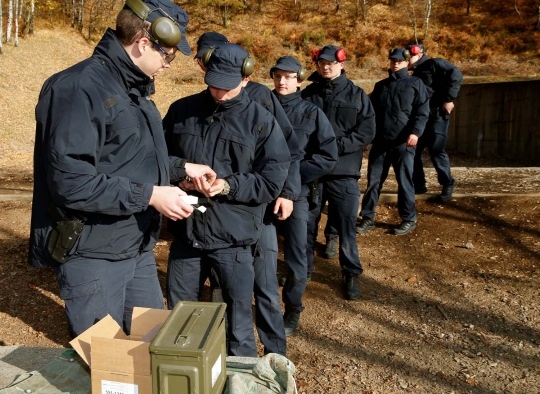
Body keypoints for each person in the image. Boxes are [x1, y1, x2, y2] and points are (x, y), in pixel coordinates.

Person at [28, 0, 201, 338]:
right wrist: (151, 195)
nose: (168, 66)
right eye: (168, 56)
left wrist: (181, 169)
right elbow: (72, 182)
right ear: (143, 43)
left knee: (153, 346)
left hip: (134, 247)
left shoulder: (132, 88)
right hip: (93, 254)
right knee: (105, 365)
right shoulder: (79, 88)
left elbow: (128, 159)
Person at [163, 44, 291, 357]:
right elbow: (156, 159)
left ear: (246, 79)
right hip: (186, 232)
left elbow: (272, 179)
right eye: (214, 83)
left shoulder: (261, 120)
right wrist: (179, 176)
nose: (219, 92)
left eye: (227, 85)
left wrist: (228, 187)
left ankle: (241, 378)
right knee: (179, 318)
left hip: (233, 239)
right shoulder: (182, 110)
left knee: (238, 323)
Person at [192, 32, 301, 356]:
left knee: (265, 284)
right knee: (223, 286)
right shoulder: (206, 101)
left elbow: (288, 150)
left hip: (261, 210)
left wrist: (287, 193)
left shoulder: (260, 99)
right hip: (220, 217)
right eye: (204, 60)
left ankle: (275, 353)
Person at [301, 44, 375, 300]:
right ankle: (304, 269)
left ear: (342, 64)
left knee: (346, 227)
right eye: (322, 62)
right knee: (307, 225)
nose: (326, 66)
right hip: (313, 173)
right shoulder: (308, 95)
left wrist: (336, 146)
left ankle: (351, 273)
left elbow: (367, 131)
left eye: (331, 62)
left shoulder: (357, 95)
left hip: (344, 172)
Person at [270, 56, 338, 335]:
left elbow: (327, 156)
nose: (282, 82)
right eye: (278, 76)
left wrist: (293, 175)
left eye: (288, 77)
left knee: (297, 256)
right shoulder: (259, 106)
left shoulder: (311, 112)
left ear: (299, 80)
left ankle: (293, 308)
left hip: (297, 196)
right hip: (262, 193)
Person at [356, 48, 429, 236]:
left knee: (404, 182)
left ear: (407, 63)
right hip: (381, 142)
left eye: (399, 61)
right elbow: (371, 115)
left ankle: (408, 219)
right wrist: (367, 138)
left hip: (403, 143)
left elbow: (422, 111)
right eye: (393, 60)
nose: (395, 63)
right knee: (373, 181)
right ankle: (367, 218)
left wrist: (416, 133)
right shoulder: (381, 86)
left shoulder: (415, 83)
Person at [407, 44, 463, 201]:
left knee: (436, 149)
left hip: (437, 114)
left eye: (409, 57)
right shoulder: (413, 74)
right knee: (414, 150)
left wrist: (449, 99)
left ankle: (447, 183)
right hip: (421, 117)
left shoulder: (434, 63)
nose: (407, 61)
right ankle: (419, 185)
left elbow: (456, 74)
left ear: (419, 55)